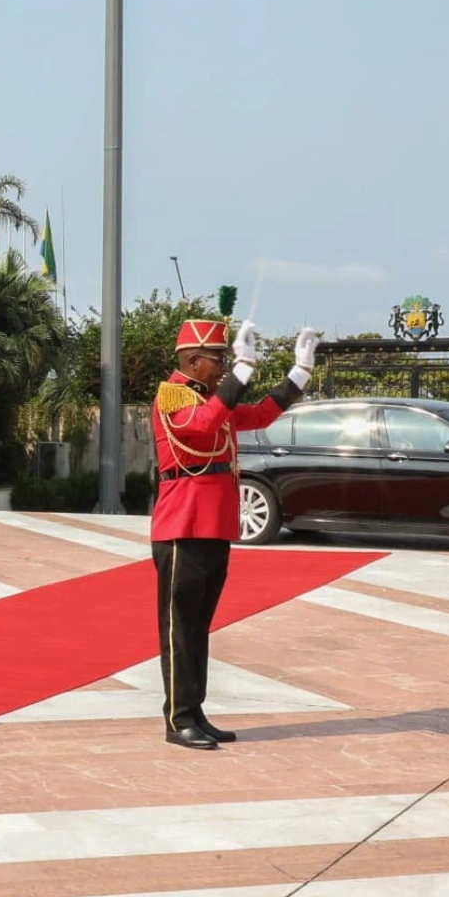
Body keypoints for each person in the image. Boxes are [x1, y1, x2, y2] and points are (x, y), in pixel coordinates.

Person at [151, 318, 319, 750]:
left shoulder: (211, 399)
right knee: (180, 627)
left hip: (213, 523)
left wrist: (298, 373)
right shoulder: (173, 396)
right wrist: (242, 371)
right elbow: (204, 425)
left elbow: (260, 414)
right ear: (192, 360)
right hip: (183, 524)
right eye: (218, 359)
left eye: (228, 359)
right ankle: (178, 718)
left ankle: (195, 709)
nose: (223, 366)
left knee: (199, 625)